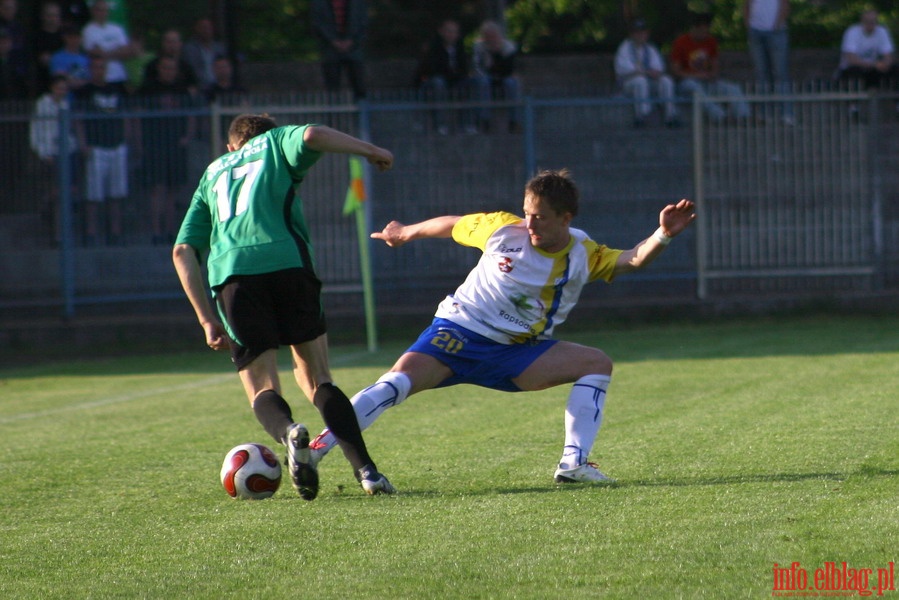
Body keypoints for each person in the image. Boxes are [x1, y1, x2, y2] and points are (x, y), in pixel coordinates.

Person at [307, 169, 697, 485]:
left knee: (596, 363)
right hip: (458, 332)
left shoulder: (583, 253)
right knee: (395, 383)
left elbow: (631, 260)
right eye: (526, 212)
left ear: (566, 218)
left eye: (540, 216)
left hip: (517, 353)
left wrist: (663, 234)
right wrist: (405, 232)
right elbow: (453, 224)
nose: (529, 223)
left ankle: (573, 465)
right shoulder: (501, 229)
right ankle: (314, 450)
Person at [172, 113, 397, 499]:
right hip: (288, 264)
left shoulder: (213, 172)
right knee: (317, 379)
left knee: (261, 386)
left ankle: (289, 432)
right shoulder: (276, 143)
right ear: (271, 133)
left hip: (233, 275)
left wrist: (206, 319)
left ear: (231, 147)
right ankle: (368, 472)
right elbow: (312, 134)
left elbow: (182, 250)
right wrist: (371, 151)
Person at [138, 54, 198, 245]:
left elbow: (191, 115)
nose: (168, 71)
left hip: (176, 146)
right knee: (157, 189)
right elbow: (136, 116)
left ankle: (171, 231)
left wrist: (187, 137)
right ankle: (156, 232)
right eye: (164, 68)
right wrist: (140, 142)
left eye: (171, 68)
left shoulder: (182, 90)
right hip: (154, 146)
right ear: (159, 69)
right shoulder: (147, 90)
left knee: (173, 190)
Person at [73, 54, 132, 246]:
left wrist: (128, 140)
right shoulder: (84, 92)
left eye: (102, 67)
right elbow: (78, 119)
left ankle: (115, 233)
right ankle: (91, 234)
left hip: (117, 146)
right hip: (95, 148)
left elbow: (126, 116)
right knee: (93, 195)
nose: (99, 70)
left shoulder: (117, 89)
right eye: (95, 67)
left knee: (116, 193)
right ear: (91, 70)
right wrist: (83, 144)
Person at [670, 13, 751, 124]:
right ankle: (721, 117)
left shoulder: (711, 41)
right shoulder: (681, 42)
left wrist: (712, 74)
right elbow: (676, 71)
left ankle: (744, 116)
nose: (705, 34)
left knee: (732, 88)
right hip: (687, 82)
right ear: (694, 28)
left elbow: (714, 64)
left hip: (707, 81)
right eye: (703, 30)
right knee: (695, 88)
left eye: (707, 30)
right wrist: (697, 75)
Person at [29, 74, 79, 245]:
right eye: (59, 87)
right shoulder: (42, 104)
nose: (61, 91)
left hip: (67, 153)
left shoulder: (66, 104)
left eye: (64, 88)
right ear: (52, 88)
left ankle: (62, 234)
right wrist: (44, 153)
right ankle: (55, 231)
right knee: (56, 194)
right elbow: (36, 131)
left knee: (66, 194)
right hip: (50, 155)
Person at [415, 19, 478, 135]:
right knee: (439, 83)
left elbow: (463, 68)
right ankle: (440, 124)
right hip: (435, 81)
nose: (451, 35)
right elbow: (433, 69)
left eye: (454, 32)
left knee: (472, 83)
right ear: (441, 32)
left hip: (455, 80)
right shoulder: (434, 47)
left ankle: (469, 124)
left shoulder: (460, 48)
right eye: (448, 31)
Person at [613, 19, 680, 128]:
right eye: (637, 32)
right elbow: (626, 70)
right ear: (632, 34)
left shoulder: (650, 49)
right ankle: (641, 116)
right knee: (640, 81)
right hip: (628, 85)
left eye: (643, 32)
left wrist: (648, 72)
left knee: (666, 81)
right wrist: (646, 72)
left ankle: (670, 116)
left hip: (649, 82)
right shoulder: (624, 48)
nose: (640, 35)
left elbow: (658, 69)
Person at [743, 0, 793, 123]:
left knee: (780, 73)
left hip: (776, 31)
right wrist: (748, 24)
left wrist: (777, 25)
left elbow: (785, 5)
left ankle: (786, 114)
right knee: (761, 74)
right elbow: (747, 5)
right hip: (756, 31)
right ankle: (764, 114)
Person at [310, 0, 367, 100]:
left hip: (353, 47)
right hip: (330, 48)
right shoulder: (319, 2)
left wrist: (351, 41)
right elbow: (318, 23)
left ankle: (362, 111)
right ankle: (334, 112)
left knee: (359, 83)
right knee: (332, 85)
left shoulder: (358, 2)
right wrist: (332, 41)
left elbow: (363, 22)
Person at [472, 19, 522, 133]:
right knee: (483, 82)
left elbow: (508, 69)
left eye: (493, 36)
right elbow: (477, 67)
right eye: (488, 36)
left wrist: (498, 53)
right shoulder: (479, 47)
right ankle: (484, 120)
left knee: (511, 83)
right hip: (486, 76)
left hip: (504, 77)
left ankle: (514, 121)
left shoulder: (508, 47)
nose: (491, 39)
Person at [836, 9, 898, 92]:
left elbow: (888, 55)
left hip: (874, 70)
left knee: (895, 70)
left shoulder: (882, 31)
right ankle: (852, 104)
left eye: (873, 21)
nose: (870, 24)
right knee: (854, 72)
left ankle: (896, 102)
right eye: (867, 21)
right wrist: (875, 64)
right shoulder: (852, 32)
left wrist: (885, 64)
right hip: (853, 69)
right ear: (862, 21)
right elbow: (851, 59)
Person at [80, 0, 134, 84]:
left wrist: (104, 53)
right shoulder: (88, 30)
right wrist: (117, 51)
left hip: (119, 76)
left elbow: (127, 52)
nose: (102, 13)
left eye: (105, 10)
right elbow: (93, 53)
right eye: (99, 10)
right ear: (93, 11)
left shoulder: (117, 29)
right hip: (100, 79)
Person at [182, 17, 226, 95]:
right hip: (199, 89)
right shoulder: (189, 49)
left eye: (209, 27)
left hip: (218, 87)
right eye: (203, 27)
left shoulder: (220, 48)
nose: (206, 30)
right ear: (197, 29)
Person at [33, 1, 66, 95]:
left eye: (55, 15)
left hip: (62, 86)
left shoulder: (64, 37)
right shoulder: (37, 36)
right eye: (49, 15)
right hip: (43, 82)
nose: (52, 19)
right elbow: (43, 59)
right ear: (43, 16)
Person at [49, 24, 89, 90]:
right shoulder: (57, 58)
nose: (74, 40)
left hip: (83, 97)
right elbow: (59, 80)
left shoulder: (86, 58)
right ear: (65, 38)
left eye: (77, 37)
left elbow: (89, 79)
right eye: (71, 37)